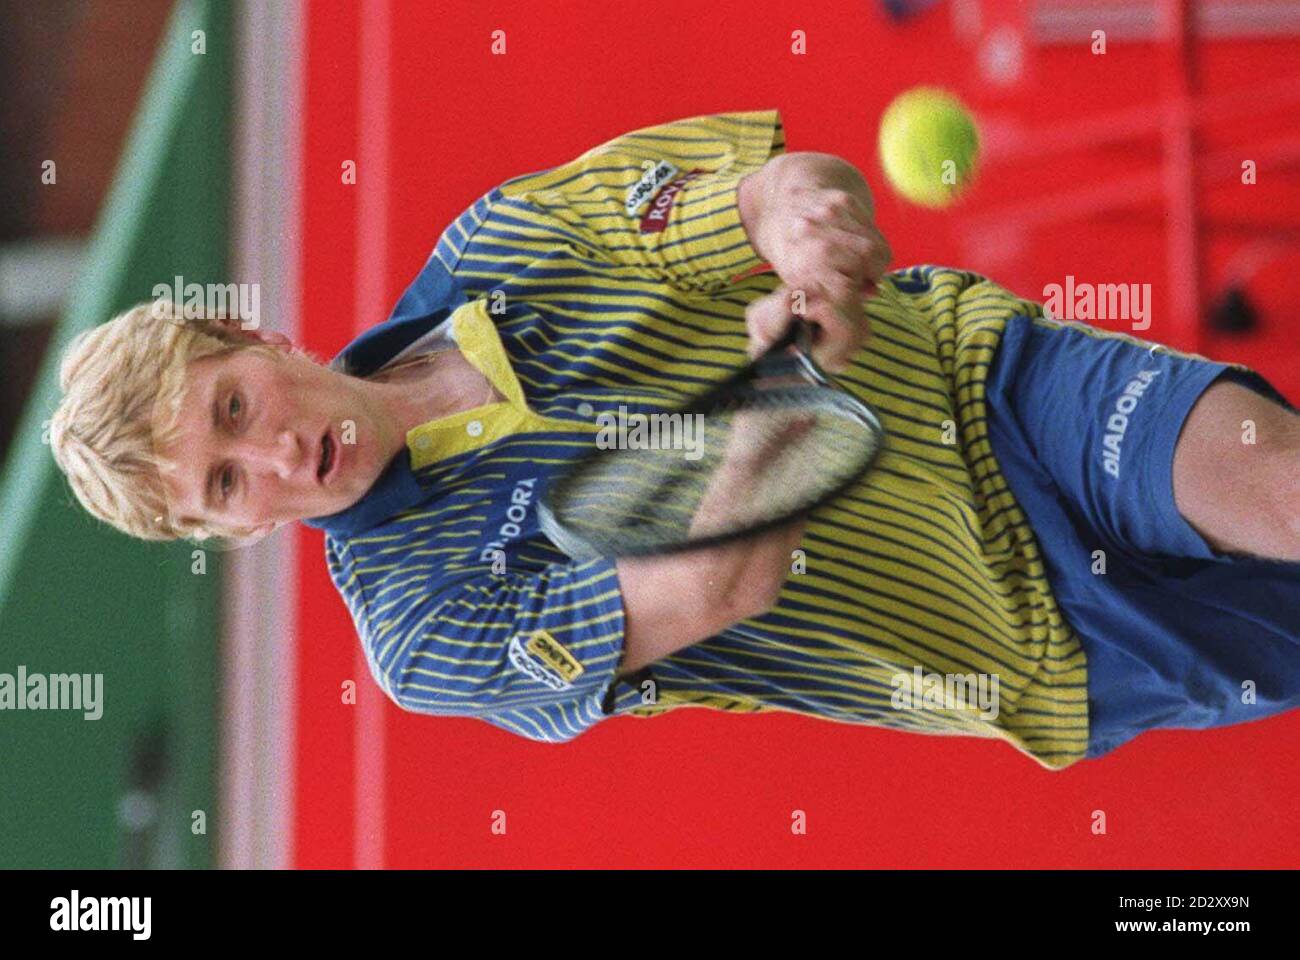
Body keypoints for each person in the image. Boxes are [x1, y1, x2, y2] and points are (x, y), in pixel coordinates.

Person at [50, 110, 1300, 768]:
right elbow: (723, 577)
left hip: (997, 384)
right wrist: (798, 370)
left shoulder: (508, 237)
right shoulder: (420, 626)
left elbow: (771, 184)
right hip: (1018, 639)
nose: (272, 456)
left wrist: (809, 230)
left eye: (230, 409)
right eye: (227, 483)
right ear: (237, 529)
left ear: (249, 339)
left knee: (1276, 488)